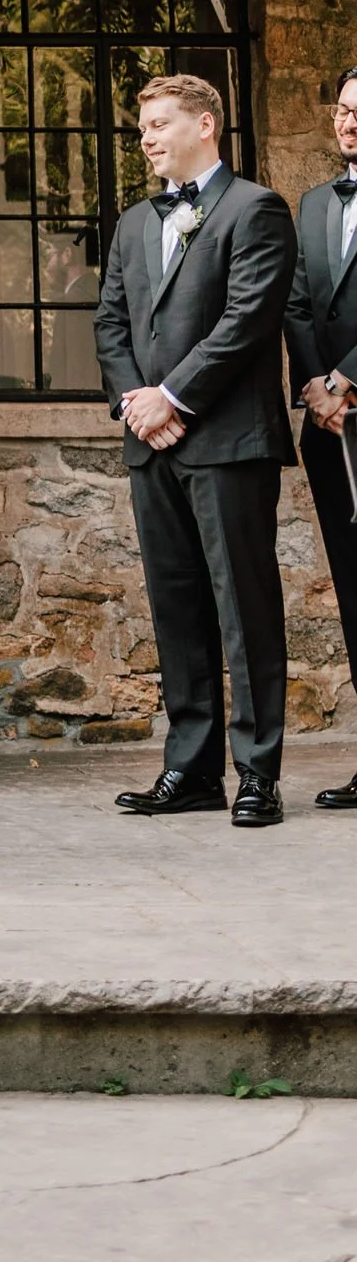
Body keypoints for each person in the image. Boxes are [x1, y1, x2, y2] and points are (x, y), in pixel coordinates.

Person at [95, 72, 297, 828]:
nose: (145, 137)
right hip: (152, 444)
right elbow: (109, 325)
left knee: (245, 607)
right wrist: (133, 405)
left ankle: (257, 773)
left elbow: (246, 321)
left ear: (206, 124)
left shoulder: (256, 210)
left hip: (227, 441)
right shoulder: (134, 223)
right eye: (142, 125)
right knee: (176, 607)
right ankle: (191, 768)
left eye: (159, 123)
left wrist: (170, 397)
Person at [283, 62, 357, 809]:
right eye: (342, 109)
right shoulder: (311, 205)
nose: (349, 122)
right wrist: (317, 387)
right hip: (331, 428)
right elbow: (296, 303)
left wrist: (350, 380)